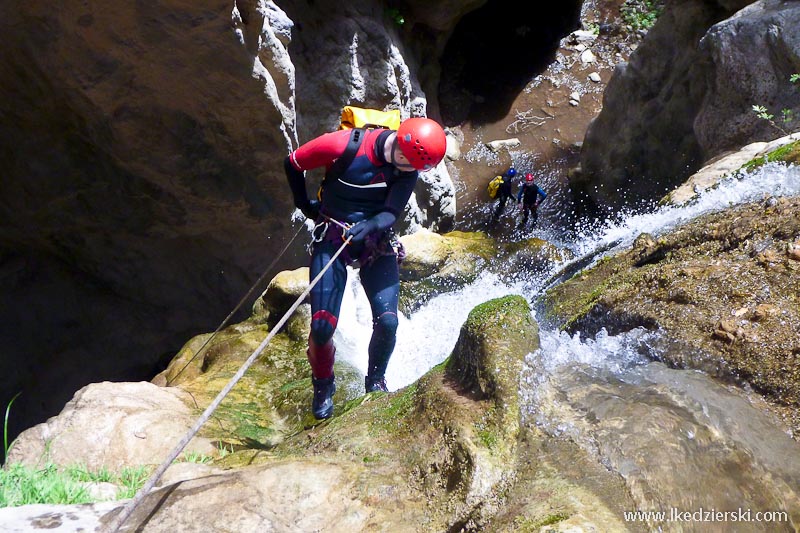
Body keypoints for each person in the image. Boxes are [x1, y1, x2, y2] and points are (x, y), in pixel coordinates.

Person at [284, 117, 447, 419]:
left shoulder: (408, 165)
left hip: (375, 241)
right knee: (321, 327)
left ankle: (375, 381)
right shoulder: (343, 145)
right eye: (408, 164)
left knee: (388, 322)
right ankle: (323, 384)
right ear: (400, 145)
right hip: (332, 237)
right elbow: (293, 162)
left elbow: (390, 211)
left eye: (415, 168)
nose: (410, 172)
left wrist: (369, 225)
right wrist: (304, 204)